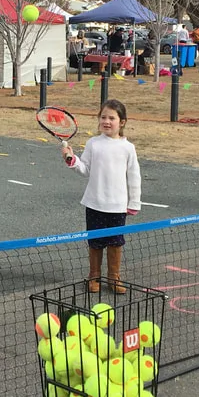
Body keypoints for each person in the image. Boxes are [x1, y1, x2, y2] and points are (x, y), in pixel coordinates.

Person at [61, 99, 142, 294]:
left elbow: (134, 176)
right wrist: (71, 159)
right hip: (94, 203)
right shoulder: (93, 143)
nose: (106, 121)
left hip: (117, 206)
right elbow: (85, 169)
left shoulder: (128, 148)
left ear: (122, 122)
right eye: (103, 117)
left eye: (111, 118)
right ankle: (94, 276)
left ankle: (114, 277)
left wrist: (134, 202)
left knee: (115, 242)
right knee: (95, 242)